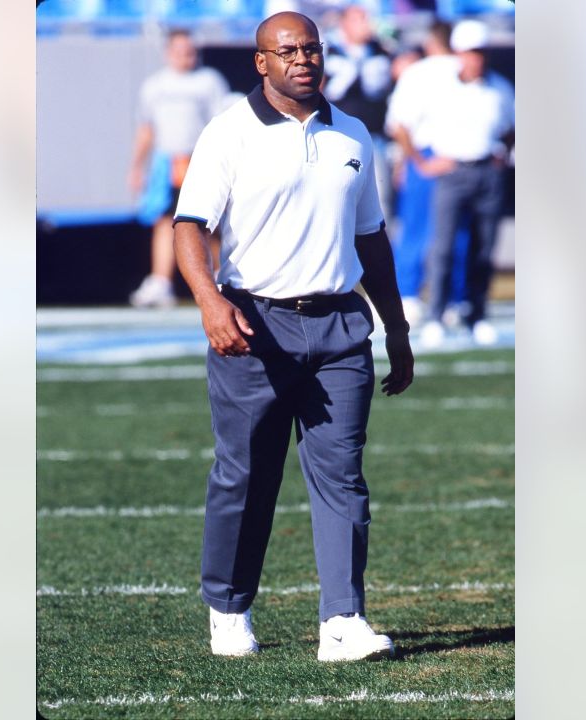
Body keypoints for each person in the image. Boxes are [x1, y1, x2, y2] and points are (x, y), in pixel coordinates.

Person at [172, 11, 414, 662]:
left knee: (343, 476)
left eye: (312, 48)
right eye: (288, 50)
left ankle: (342, 620)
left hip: (340, 324)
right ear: (262, 62)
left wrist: (396, 325)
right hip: (254, 324)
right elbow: (190, 226)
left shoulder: (354, 135)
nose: (303, 59)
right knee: (245, 474)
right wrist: (208, 303)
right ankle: (228, 608)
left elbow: (371, 240)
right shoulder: (227, 134)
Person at [416, 19, 514, 346]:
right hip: (452, 173)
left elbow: (511, 127)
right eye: (471, 52)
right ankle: (436, 315)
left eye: (481, 52)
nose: (477, 58)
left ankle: (477, 314)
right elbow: (403, 124)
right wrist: (422, 162)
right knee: (443, 247)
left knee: (483, 250)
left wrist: (502, 153)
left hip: (488, 172)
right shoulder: (441, 90)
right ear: (459, 53)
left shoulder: (500, 88)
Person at [127, 30, 230, 308]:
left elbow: (221, 124)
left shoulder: (209, 82)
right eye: (179, 50)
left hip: (199, 158)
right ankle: (161, 281)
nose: (185, 56)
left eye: (190, 50)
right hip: (166, 161)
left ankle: (221, 276)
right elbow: (147, 129)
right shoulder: (155, 85)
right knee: (164, 220)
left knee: (208, 222)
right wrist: (137, 166)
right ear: (168, 52)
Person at [384, 21, 462, 327]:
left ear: (432, 41)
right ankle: (456, 299)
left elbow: (398, 124)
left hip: (426, 154)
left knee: (415, 230)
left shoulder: (418, 72)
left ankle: (408, 297)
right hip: (462, 157)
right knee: (457, 232)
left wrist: (411, 160)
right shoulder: (469, 71)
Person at [322, 5, 395, 229]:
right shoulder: (329, 49)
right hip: (337, 136)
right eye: (359, 19)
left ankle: (378, 257)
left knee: (379, 201)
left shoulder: (381, 49)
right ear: (344, 23)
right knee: (336, 196)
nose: (366, 24)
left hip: (374, 137)